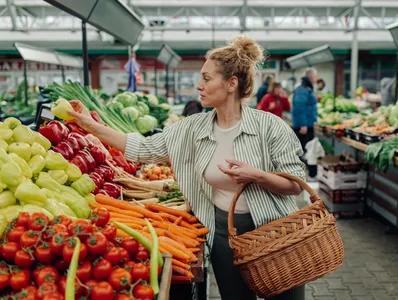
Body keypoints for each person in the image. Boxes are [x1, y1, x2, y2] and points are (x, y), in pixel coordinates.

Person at [70, 35, 306, 300]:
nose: (199, 85)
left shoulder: (270, 127)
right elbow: (142, 148)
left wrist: (259, 176)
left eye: (207, 78)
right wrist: (87, 123)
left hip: (275, 230)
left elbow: (296, 185)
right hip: (223, 233)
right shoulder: (192, 128)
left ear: (231, 83)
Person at [292, 68, 318, 180]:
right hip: (304, 126)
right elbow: (299, 106)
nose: (316, 78)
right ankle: (302, 177)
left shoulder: (307, 88)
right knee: (303, 150)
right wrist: (303, 124)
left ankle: (307, 176)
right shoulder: (302, 89)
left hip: (308, 124)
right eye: (315, 76)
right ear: (311, 77)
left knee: (308, 149)